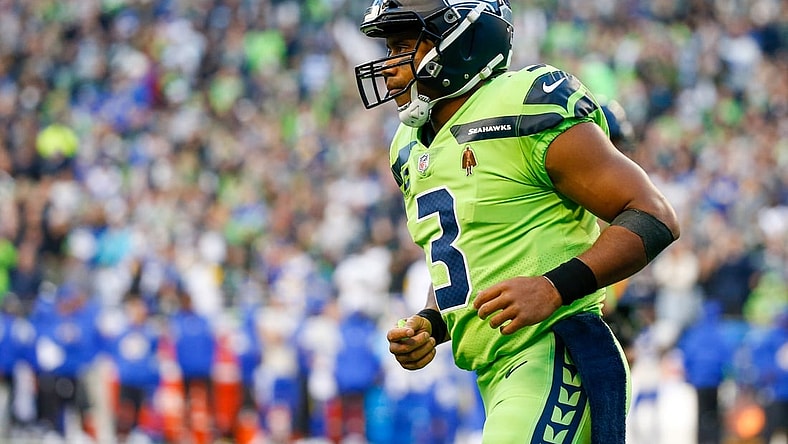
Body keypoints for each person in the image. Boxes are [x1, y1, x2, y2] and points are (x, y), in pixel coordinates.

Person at [353, 1, 680, 443]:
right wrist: (431, 321)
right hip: (494, 375)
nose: (389, 66)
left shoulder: (524, 105)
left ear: (460, 41)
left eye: (404, 46)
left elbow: (653, 215)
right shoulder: (408, 147)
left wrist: (552, 287)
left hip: (557, 350)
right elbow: (470, 259)